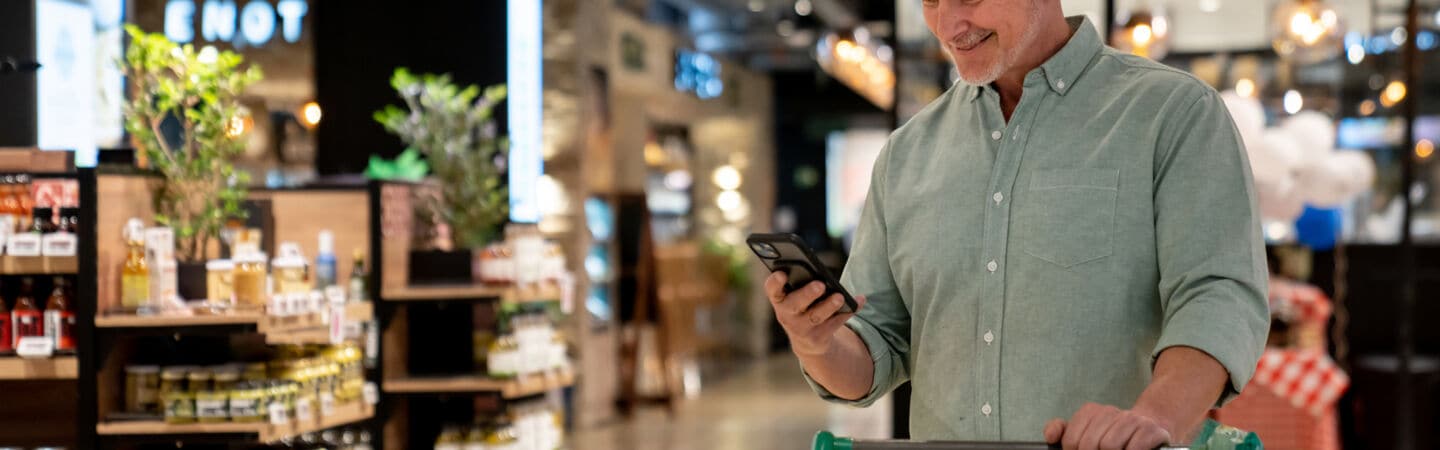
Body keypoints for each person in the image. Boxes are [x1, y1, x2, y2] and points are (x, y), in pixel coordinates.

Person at [764, 1, 1269, 449]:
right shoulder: (906, 153)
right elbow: (876, 346)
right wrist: (818, 344)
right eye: (931, 0)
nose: (948, 24)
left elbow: (1217, 297)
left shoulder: (1173, 114)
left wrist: (1153, 417)